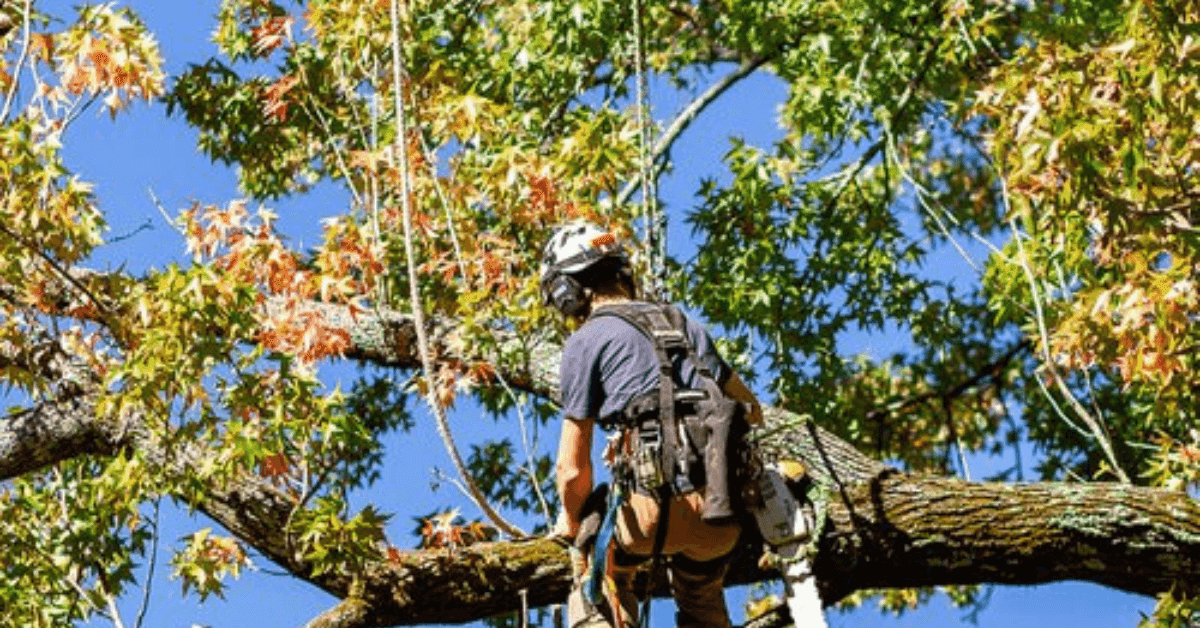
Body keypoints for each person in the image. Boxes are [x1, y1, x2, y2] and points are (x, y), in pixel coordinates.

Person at [541, 222, 763, 628]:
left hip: (649, 513)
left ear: (567, 291)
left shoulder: (586, 340)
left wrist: (575, 530)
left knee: (596, 580)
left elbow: (571, 470)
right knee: (701, 594)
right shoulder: (682, 322)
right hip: (722, 514)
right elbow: (750, 409)